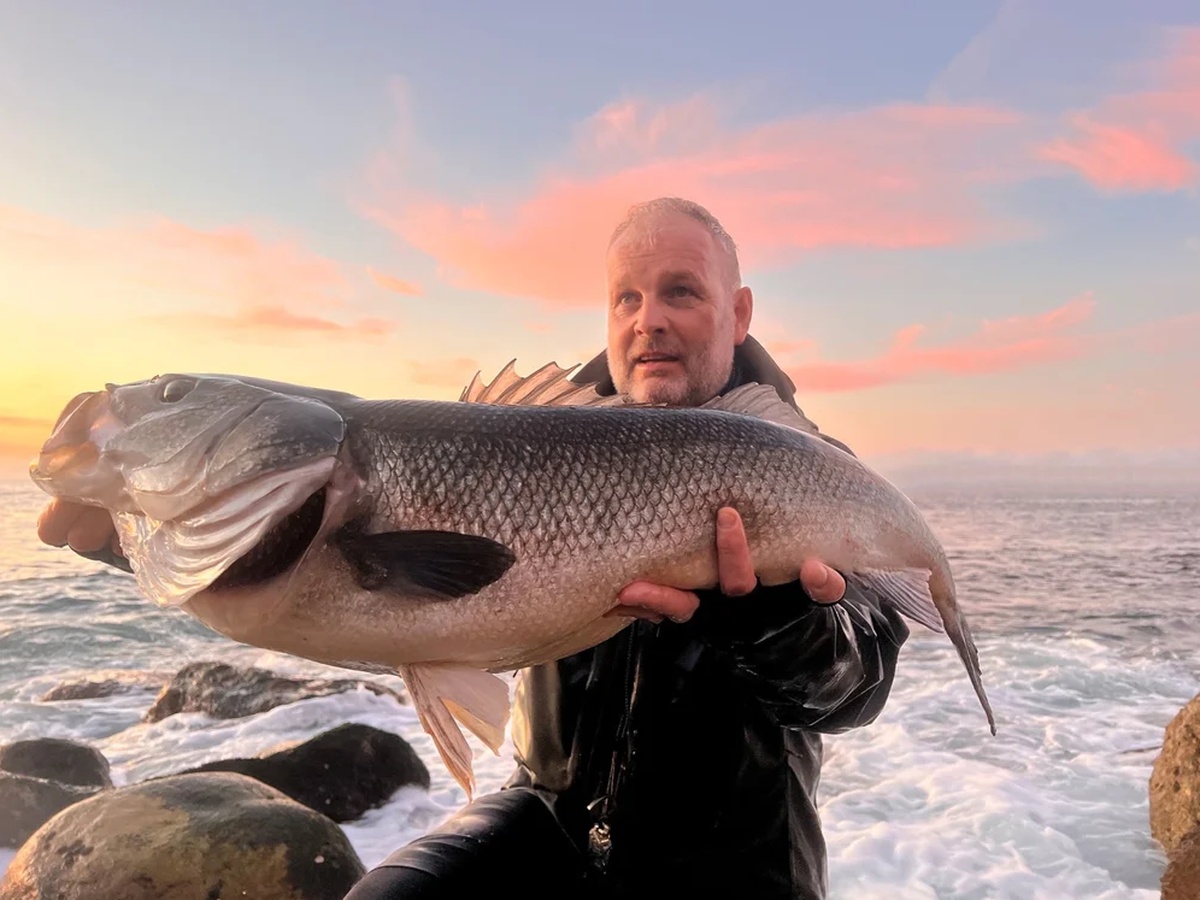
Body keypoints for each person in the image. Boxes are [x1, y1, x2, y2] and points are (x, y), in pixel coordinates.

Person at [36, 198, 910, 899]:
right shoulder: (525, 436)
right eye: (626, 297)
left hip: (740, 864)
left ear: (738, 310)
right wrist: (177, 536)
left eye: (681, 291)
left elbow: (859, 686)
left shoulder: (811, 473)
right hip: (548, 818)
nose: (649, 320)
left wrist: (771, 614)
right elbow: (393, 611)